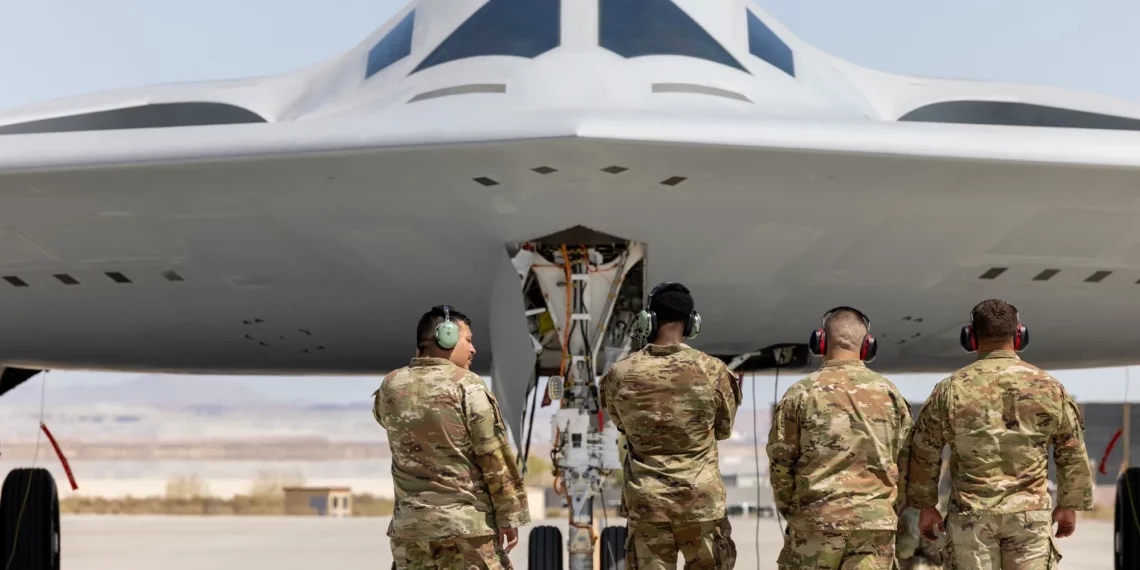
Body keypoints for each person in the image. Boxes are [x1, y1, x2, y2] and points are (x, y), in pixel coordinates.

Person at [908, 299, 1094, 570]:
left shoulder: (951, 389)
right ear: (1019, 335)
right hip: (1029, 517)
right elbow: (1071, 448)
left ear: (970, 337)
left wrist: (925, 506)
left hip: (972, 518)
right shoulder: (1049, 387)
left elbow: (925, 449)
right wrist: (1069, 504)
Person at [373, 305, 530, 569]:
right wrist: (508, 515)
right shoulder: (467, 384)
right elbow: (493, 455)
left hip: (411, 532)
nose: (473, 349)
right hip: (466, 531)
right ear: (445, 337)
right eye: (467, 340)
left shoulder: (391, 385)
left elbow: (383, 419)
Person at [600, 282, 741, 568]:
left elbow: (621, 424)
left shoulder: (620, 373)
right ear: (692, 324)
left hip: (647, 503)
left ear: (648, 320)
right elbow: (724, 429)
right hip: (700, 503)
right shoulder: (713, 371)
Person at [768, 306, 913, 570]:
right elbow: (906, 461)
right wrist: (887, 509)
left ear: (820, 341)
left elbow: (780, 463)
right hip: (874, 524)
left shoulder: (800, 393)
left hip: (816, 521)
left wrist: (797, 512)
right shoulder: (890, 393)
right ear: (868, 345)